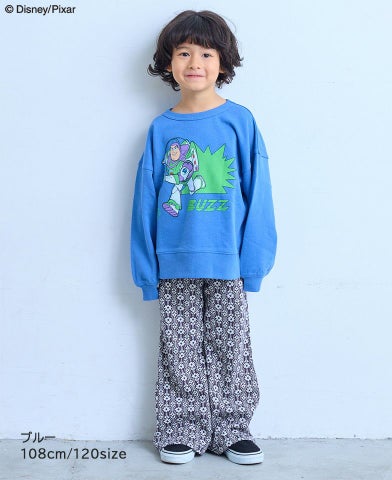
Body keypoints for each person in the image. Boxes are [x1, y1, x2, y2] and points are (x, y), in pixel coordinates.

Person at [130, 10, 277, 465]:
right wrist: (147, 271)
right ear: (169, 63)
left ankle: (232, 429)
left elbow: (259, 195)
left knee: (231, 347)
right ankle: (182, 429)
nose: (195, 62)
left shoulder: (240, 122)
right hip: (173, 262)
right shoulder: (161, 129)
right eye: (184, 52)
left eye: (207, 53)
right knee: (179, 349)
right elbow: (145, 202)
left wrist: (253, 264)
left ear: (223, 62)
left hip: (228, 261)